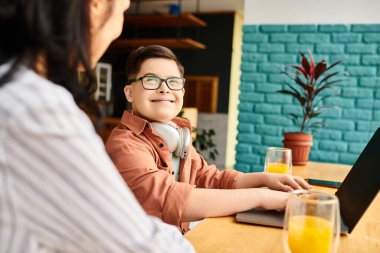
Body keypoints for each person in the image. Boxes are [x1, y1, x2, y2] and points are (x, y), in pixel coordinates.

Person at [0, 1, 195, 252]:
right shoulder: (37, 110)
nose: (118, 27)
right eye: (123, 10)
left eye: (173, 82)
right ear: (96, 5)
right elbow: (140, 245)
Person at [105, 45, 311, 234]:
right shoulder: (125, 145)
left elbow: (211, 179)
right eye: (151, 80)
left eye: (173, 82)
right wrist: (261, 197)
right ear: (129, 93)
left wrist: (263, 178)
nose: (165, 88)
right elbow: (171, 199)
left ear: (182, 92)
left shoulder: (176, 136)